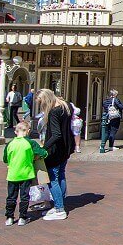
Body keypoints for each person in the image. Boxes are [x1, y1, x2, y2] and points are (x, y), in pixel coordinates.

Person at [38, 90, 76, 220]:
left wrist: (44, 148)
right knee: (61, 175)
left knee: (52, 178)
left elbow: (56, 134)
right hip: (67, 146)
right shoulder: (66, 106)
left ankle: (59, 208)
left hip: (56, 149)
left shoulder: (54, 112)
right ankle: (60, 204)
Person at [3, 120, 47, 226]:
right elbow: (43, 153)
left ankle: (9, 217)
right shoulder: (30, 143)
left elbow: (5, 159)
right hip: (26, 173)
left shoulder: (10, 144)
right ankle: (22, 217)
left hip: (13, 174)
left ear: (15, 131)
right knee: (24, 196)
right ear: (28, 131)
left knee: (11, 196)